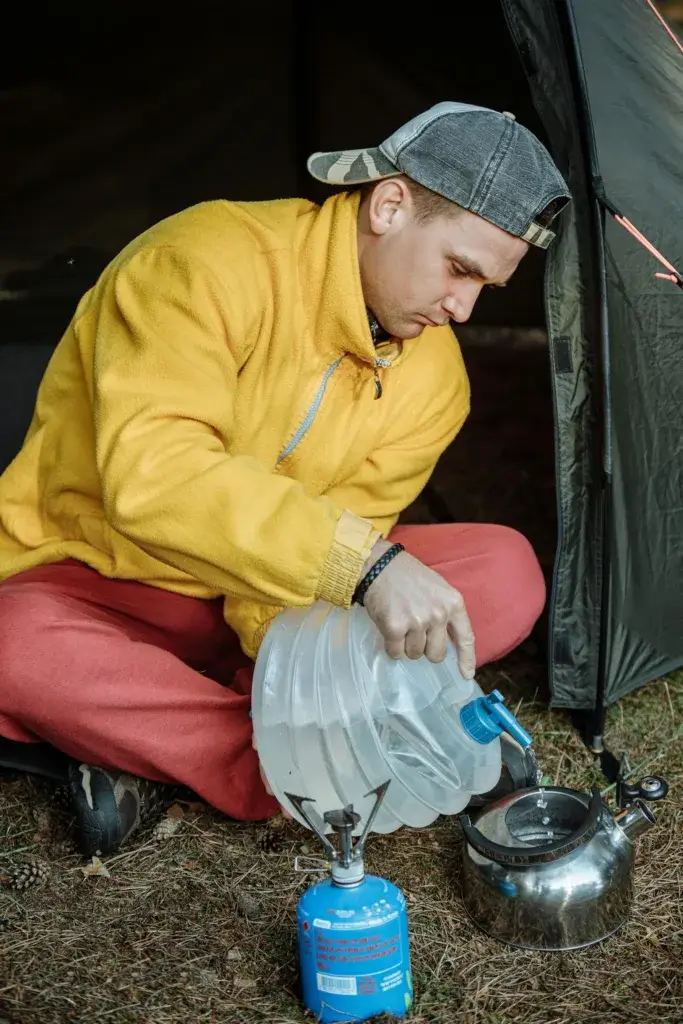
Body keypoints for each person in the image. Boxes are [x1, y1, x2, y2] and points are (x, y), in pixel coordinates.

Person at [0, 101, 570, 855]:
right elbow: (154, 478)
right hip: (106, 578)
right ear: (389, 204)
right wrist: (365, 567)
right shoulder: (202, 259)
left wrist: (304, 669)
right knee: (12, 643)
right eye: (458, 269)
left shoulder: (436, 380)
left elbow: (330, 551)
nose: (462, 308)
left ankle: (153, 745)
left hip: (274, 604)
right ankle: (276, 766)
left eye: (484, 289)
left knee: (501, 571)